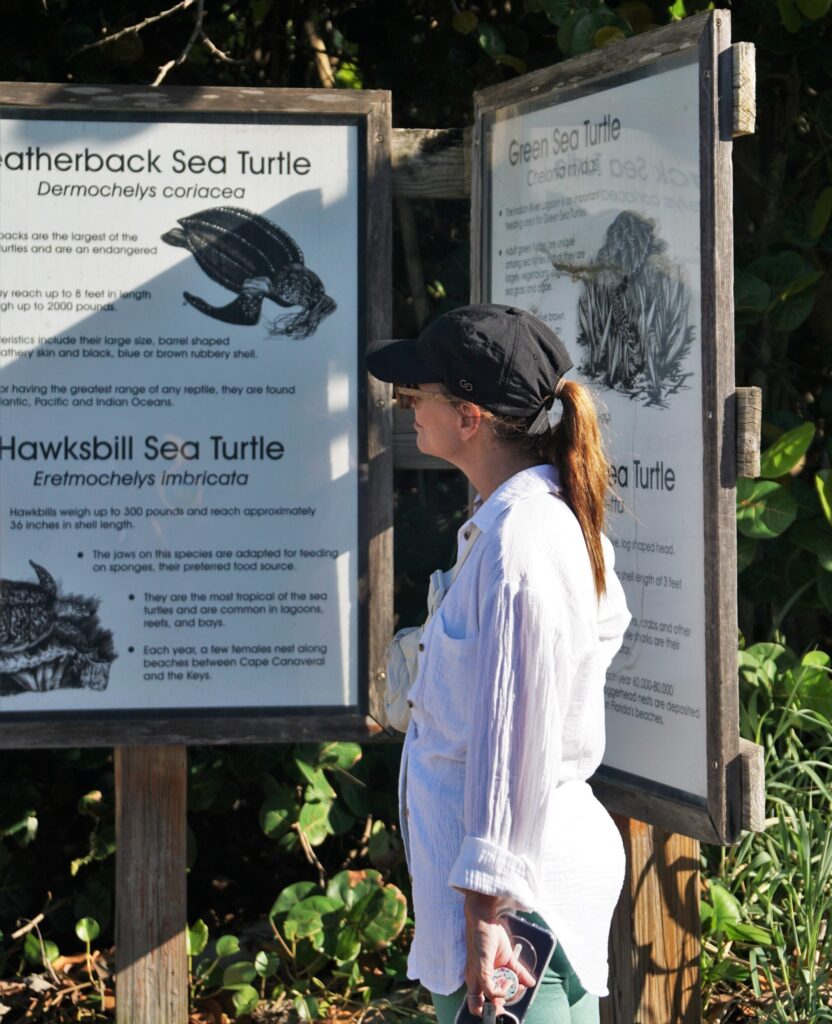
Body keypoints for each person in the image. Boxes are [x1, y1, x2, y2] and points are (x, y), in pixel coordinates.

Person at [366, 303, 631, 1024]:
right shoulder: (517, 524)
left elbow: (517, 733)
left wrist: (488, 906)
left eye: (420, 392)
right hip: (521, 888)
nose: (407, 403)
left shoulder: (524, 542)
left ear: (470, 416)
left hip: (518, 904)